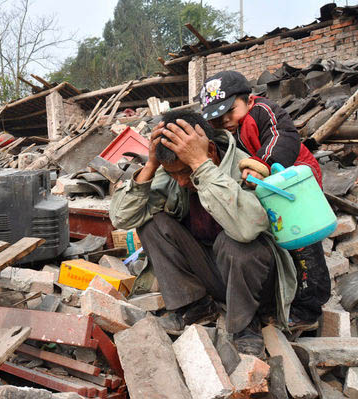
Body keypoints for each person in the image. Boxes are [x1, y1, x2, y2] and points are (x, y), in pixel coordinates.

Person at [110, 110, 297, 357]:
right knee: (152, 223)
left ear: (209, 151)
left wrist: (201, 167)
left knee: (234, 243)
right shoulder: (172, 175)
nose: (181, 182)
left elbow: (247, 229)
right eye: (173, 173)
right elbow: (122, 218)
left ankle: (245, 323)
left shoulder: (245, 169)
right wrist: (152, 166)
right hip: (213, 272)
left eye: (185, 172)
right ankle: (196, 306)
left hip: (255, 280)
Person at [199, 70, 330, 329]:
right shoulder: (227, 132)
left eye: (230, 111)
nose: (225, 120)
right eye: (217, 117)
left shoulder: (263, 112)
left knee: (304, 243)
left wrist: (261, 163)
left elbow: (282, 136)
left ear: (248, 100)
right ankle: (288, 296)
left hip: (294, 185)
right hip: (270, 191)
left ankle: (310, 307)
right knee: (283, 240)